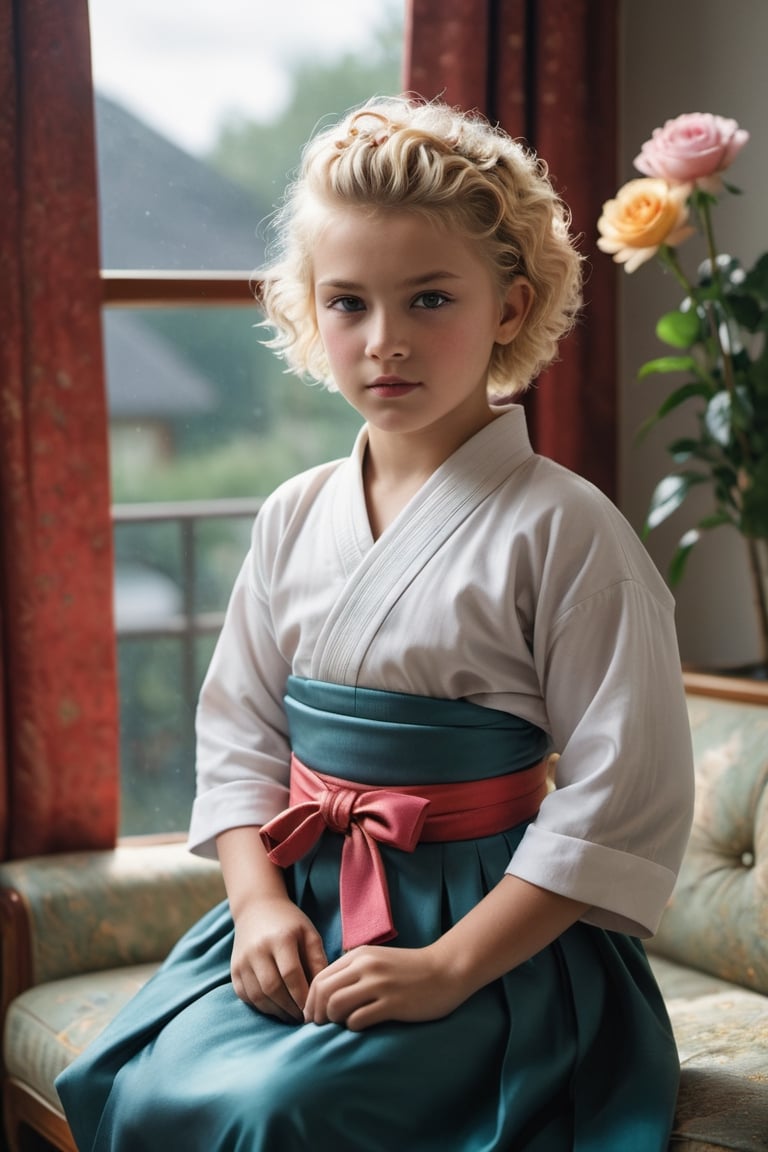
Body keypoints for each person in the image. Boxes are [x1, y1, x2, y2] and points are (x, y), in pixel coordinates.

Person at [56, 96, 695, 1151]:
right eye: (348, 303)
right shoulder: (294, 513)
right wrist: (259, 906)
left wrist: (447, 965)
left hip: (492, 946)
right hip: (305, 911)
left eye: (430, 298)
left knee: (277, 1114)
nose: (384, 342)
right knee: (149, 1086)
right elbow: (239, 733)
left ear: (509, 306)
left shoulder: (568, 530)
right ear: (312, 311)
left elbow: (618, 800)